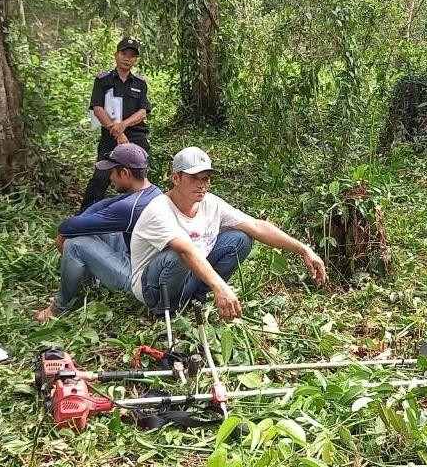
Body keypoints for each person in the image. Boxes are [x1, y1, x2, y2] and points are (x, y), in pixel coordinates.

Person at [130, 147, 329, 320]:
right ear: (175, 178)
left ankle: (196, 299)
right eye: (194, 178)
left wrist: (304, 250)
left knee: (240, 239)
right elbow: (185, 251)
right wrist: (221, 286)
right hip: (154, 289)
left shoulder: (210, 203)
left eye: (206, 179)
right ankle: (166, 311)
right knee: (178, 254)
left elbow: (257, 226)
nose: (202, 185)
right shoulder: (159, 209)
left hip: (188, 277)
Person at [34, 144, 162, 322]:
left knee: (75, 243)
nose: (110, 177)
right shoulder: (152, 192)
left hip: (138, 281)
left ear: (125, 173)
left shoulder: (130, 207)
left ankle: (60, 306)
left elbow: (68, 227)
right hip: (141, 262)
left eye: (112, 172)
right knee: (102, 231)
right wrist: (80, 220)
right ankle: (86, 287)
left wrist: (64, 234)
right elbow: (105, 204)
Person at [80, 37, 151, 212]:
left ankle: (138, 213)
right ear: (116, 55)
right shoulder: (103, 80)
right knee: (101, 176)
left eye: (132, 56)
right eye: (124, 53)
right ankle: (85, 215)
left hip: (136, 137)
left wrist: (124, 125)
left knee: (137, 176)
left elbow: (143, 111)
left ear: (135, 60)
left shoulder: (140, 83)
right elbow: (97, 108)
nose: (127, 58)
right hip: (110, 136)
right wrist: (117, 132)